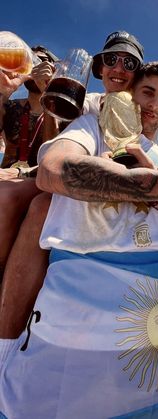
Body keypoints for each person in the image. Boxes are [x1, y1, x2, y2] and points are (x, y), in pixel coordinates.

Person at [0, 61, 158, 419]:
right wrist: (157, 186)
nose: (154, 102)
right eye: (147, 91)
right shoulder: (93, 116)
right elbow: (54, 169)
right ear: (129, 94)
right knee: (33, 206)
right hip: (70, 355)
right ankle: (5, 344)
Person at [0, 30, 158, 341]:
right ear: (99, 67)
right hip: (65, 170)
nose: (119, 67)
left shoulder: (150, 102)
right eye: (111, 59)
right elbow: (55, 156)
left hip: (101, 174)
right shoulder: (88, 102)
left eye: (129, 62)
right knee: (35, 203)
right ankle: (6, 335)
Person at [0, 45, 58, 279]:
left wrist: (50, 97)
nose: (36, 66)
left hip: (37, 182)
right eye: (31, 61)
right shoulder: (10, 106)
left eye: (42, 61)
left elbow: (52, 153)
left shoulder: (63, 111)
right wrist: (4, 90)